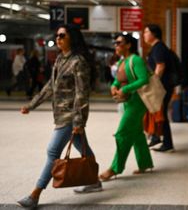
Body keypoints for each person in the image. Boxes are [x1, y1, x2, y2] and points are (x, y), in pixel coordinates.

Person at [17, 24, 101, 209]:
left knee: (53, 152)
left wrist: (79, 121)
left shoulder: (78, 61)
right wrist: (31, 105)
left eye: (62, 35)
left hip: (70, 115)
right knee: (83, 149)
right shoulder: (61, 60)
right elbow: (50, 86)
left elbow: (82, 93)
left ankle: (35, 194)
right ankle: (94, 181)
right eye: (57, 35)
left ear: (72, 37)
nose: (58, 38)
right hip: (61, 113)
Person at [99, 34, 154, 181]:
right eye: (115, 43)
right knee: (136, 134)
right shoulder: (123, 61)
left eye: (119, 43)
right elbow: (118, 80)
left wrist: (126, 89)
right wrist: (114, 86)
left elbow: (144, 79)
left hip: (138, 102)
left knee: (122, 133)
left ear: (129, 45)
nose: (116, 45)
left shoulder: (136, 60)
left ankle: (115, 168)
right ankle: (145, 163)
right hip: (128, 102)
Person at [144, 24, 175, 152]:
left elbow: (160, 66)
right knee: (156, 112)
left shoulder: (158, 48)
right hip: (163, 85)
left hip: (163, 86)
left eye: (146, 32)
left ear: (154, 34)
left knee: (161, 114)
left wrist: (153, 83)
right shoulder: (158, 47)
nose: (144, 35)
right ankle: (156, 136)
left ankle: (167, 144)